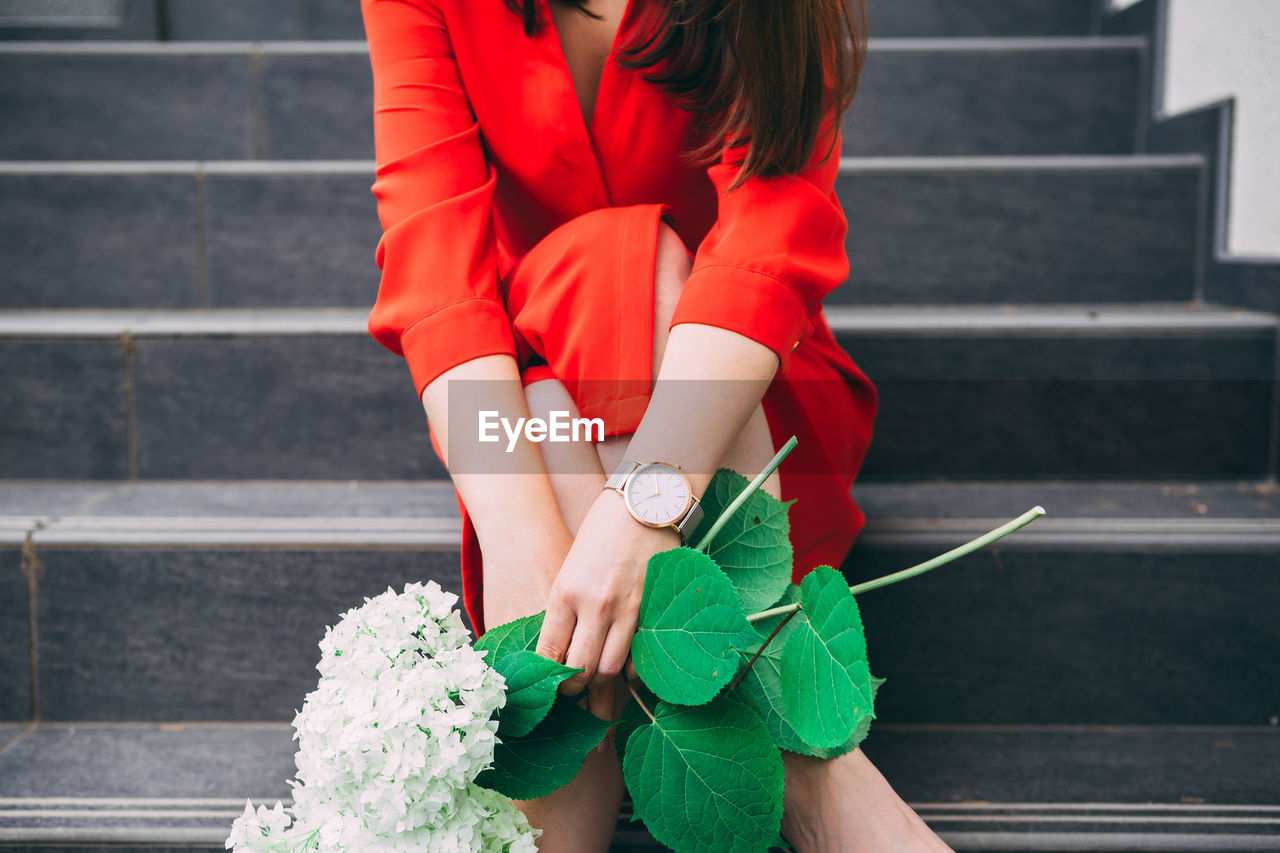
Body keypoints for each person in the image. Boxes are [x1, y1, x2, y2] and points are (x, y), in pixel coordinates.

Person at [361, 0, 953, 849]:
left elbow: (767, 241)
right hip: (528, 421)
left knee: (612, 271)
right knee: (552, 388)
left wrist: (644, 506)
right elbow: (438, 275)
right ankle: (816, 780)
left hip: (752, 423)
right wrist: (547, 578)